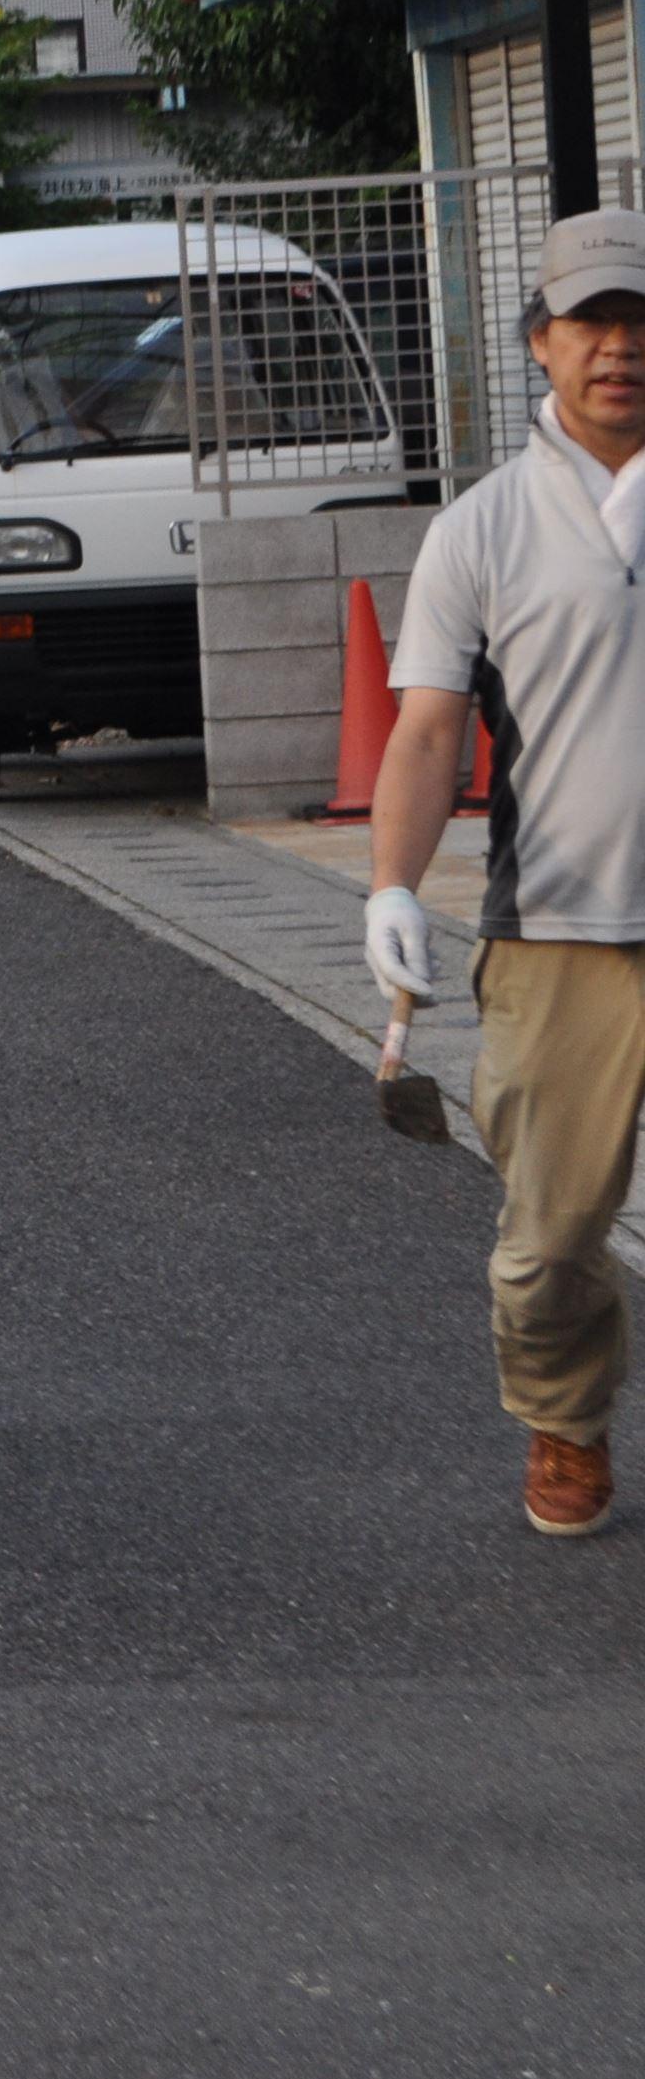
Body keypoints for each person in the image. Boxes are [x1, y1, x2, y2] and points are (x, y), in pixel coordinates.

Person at [365, 206, 645, 1538]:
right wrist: (392, 887)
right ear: (541, 342)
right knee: (543, 1250)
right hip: (558, 932)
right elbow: (425, 730)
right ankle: (566, 1424)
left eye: (641, 323)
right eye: (592, 322)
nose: (620, 349)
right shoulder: (481, 529)